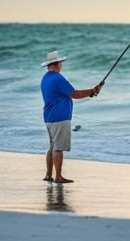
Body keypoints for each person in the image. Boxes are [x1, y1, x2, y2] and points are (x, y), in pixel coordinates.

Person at [40, 50, 101, 184]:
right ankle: (58, 177)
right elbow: (75, 94)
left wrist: (90, 92)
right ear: (58, 64)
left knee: (52, 146)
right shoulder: (58, 79)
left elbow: (68, 94)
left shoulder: (45, 78)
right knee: (58, 148)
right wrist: (92, 91)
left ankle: (48, 175)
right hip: (60, 118)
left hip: (49, 117)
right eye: (60, 63)